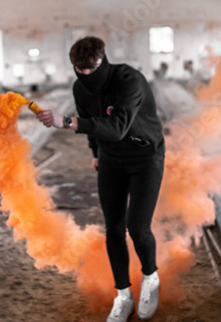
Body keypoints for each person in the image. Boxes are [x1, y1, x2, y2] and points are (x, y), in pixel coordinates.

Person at [37, 36, 165, 322]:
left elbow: (118, 127)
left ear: (103, 60)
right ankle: (122, 295)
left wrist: (67, 122)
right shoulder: (79, 87)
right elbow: (91, 121)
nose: (86, 75)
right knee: (114, 228)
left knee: (138, 227)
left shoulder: (129, 80)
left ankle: (150, 278)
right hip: (110, 159)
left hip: (145, 157)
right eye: (79, 70)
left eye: (91, 69)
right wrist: (95, 152)